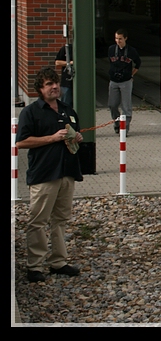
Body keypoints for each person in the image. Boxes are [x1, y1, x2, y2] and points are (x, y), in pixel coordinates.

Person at [16, 66, 84, 282]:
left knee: (60, 219)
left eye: (55, 83)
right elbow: (21, 142)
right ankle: (34, 266)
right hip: (44, 174)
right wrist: (52, 138)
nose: (54, 87)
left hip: (67, 173)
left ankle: (58, 262)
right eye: (48, 84)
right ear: (40, 89)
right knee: (38, 220)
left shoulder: (68, 110)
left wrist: (77, 138)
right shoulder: (31, 112)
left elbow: (75, 135)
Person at [108, 28, 141, 134]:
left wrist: (131, 74)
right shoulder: (111, 49)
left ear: (125, 38)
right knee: (112, 105)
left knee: (126, 106)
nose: (118, 41)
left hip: (126, 81)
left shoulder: (131, 51)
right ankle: (117, 123)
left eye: (120, 39)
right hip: (113, 81)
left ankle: (125, 129)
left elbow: (138, 63)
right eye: (116, 38)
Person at [54, 43, 75, 107]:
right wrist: (70, 63)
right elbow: (57, 62)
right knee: (66, 104)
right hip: (67, 82)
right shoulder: (67, 49)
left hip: (80, 83)